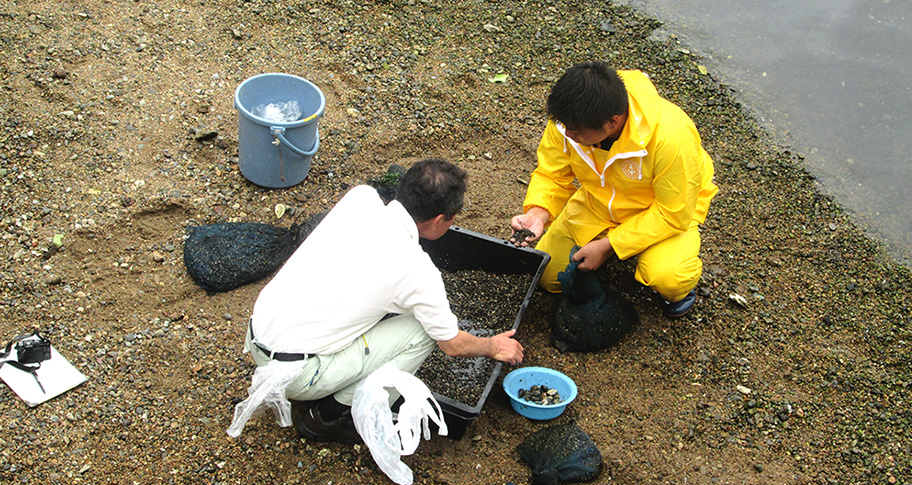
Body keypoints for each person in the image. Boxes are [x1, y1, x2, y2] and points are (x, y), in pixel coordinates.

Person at [246, 159, 524, 444]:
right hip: (296, 375)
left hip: (258, 336)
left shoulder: (361, 198)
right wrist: (493, 346)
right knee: (423, 332)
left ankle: (331, 382)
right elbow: (453, 345)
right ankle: (328, 416)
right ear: (440, 220)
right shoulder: (417, 270)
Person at [510, 61, 718, 317]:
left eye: (576, 133)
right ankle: (603, 247)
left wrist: (611, 245)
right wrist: (538, 213)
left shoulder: (672, 137)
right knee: (547, 276)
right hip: (599, 202)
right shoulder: (569, 122)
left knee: (668, 278)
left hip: (660, 212)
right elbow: (551, 174)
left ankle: (676, 287)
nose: (568, 135)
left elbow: (673, 213)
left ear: (612, 122)